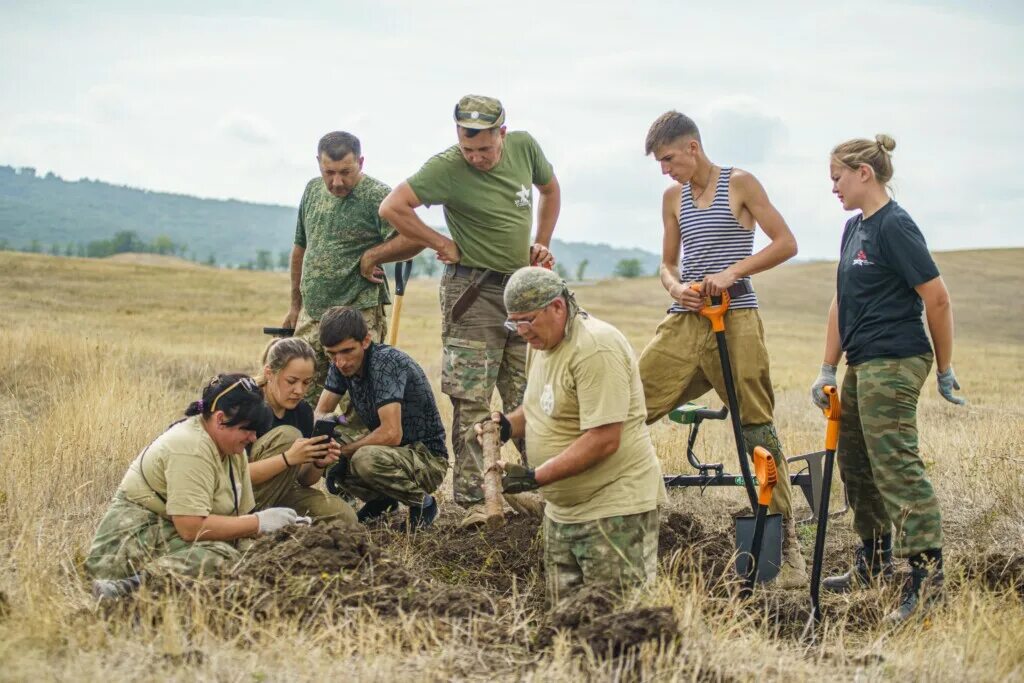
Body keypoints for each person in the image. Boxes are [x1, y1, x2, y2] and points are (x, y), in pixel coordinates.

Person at [637, 111, 806, 588]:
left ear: (692, 147)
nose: (666, 170)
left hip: (737, 320)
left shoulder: (741, 184)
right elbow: (668, 264)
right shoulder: (672, 198)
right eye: (660, 163)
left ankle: (786, 549)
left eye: (669, 159)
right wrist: (675, 289)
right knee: (626, 402)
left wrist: (733, 272)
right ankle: (617, 506)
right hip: (686, 322)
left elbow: (786, 242)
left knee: (756, 428)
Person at [377, 94, 561, 528]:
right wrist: (439, 243)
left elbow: (550, 189)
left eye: (485, 149)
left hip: (522, 292)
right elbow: (393, 206)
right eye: (468, 149)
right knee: (473, 400)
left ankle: (535, 488)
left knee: (527, 395)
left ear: (503, 132)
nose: (477, 158)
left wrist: (543, 241)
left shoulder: (525, 147)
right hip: (472, 293)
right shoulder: (444, 167)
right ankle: (478, 501)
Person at [811, 134, 964, 623]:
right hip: (862, 361)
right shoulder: (853, 230)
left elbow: (936, 297)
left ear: (864, 173)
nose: (832, 186)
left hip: (896, 358)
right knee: (856, 464)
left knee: (894, 463)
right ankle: (873, 562)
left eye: (836, 176)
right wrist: (827, 366)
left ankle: (927, 579)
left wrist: (943, 368)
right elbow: (841, 301)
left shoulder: (896, 226)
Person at [472, 267, 665, 605]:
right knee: (567, 623)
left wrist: (535, 477)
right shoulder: (542, 344)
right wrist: (505, 426)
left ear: (558, 307)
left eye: (527, 320)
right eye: (514, 323)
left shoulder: (595, 347)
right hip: (562, 515)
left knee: (620, 623)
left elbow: (604, 438)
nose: (521, 332)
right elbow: (537, 409)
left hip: (612, 512)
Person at [85, 374, 304, 599]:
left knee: (250, 556)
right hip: (125, 543)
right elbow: (190, 528)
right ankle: (126, 587)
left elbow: (239, 517)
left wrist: (284, 529)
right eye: (247, 429)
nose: (253, 438)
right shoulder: (190, 447)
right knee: (221, 559)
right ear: (220, 419)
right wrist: (259, 523)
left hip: (168, 532)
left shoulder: (230, 450)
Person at [282, 131, 422, 404]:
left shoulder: (378, 196)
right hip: (312, 315)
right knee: (297, 395)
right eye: (329, 172)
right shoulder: (312, 190)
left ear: (361, 161)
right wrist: (295, 306)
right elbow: (300, 247)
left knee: (357, 402)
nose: (336, 181)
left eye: (345, 171)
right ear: (318, 164)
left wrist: (372, 255)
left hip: (359, 313)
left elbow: (414, 238)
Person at [313, 307, 448, 530]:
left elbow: (391, 434)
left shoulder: (386, 363)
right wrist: (321, 448)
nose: (341, 362)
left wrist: (342, 453)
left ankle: (424, 504)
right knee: (323, 444)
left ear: (366, 341)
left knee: (363, 458)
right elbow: (320, 416)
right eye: (332, 354)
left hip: (427, 459)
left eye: (347, 351)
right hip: (393, 456)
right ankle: (382, 502)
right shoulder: (340, 365)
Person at [248, 337, 358, 525]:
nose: (299, 390)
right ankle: (248, 524)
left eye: (306, 382)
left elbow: (304, 480)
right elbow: (233, 476)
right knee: (288, 435)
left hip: (281, 493)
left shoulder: (302, 411)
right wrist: (287, 458)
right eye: (291, 381)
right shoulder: (246, 403)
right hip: (241, 495)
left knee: (344, 517)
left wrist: (318, 462)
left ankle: (277, 523)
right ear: (269, 373)